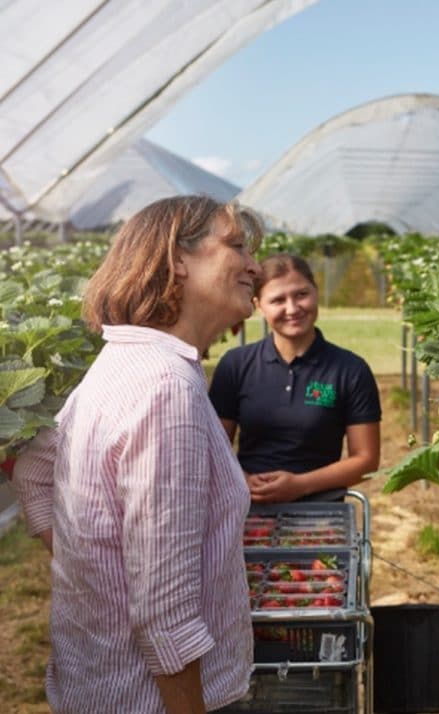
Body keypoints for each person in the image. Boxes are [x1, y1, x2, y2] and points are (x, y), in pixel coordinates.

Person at [13, 195, 262, 714]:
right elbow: (166, 613)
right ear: (177, 260)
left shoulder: (118, 363)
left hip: (101, 688)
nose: (254, 265)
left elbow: (33, 472)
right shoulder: (166, 390)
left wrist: (91, 573)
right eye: (236, 246)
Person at [209, 254, 381, 502]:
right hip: (246, 508)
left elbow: (366, 460)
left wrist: (300, 485)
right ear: (258, 305)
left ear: (316, 292)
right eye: (278, 300)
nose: (292, 309)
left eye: (301, 294)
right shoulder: (235, 365)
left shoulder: (351, 370)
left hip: (322, 516)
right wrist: (243, 479)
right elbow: (215, 449)